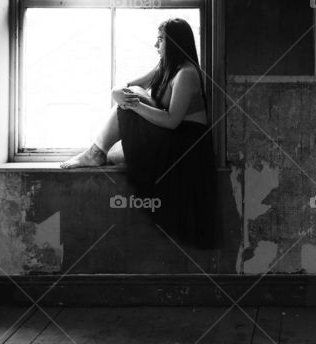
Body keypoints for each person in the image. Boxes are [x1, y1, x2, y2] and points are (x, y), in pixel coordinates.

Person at [61, 18, 217, 249]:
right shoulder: (166, 67)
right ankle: (98, 152)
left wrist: (133, 105)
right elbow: (129, 85)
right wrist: (118, 93)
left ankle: (95, 152)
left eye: (161, 39)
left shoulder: (187, 73)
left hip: (186, 143)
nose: (156, 45)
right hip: (171, 135)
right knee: (120, 137)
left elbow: (173, 121)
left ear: (174, 42)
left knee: (131, 102)